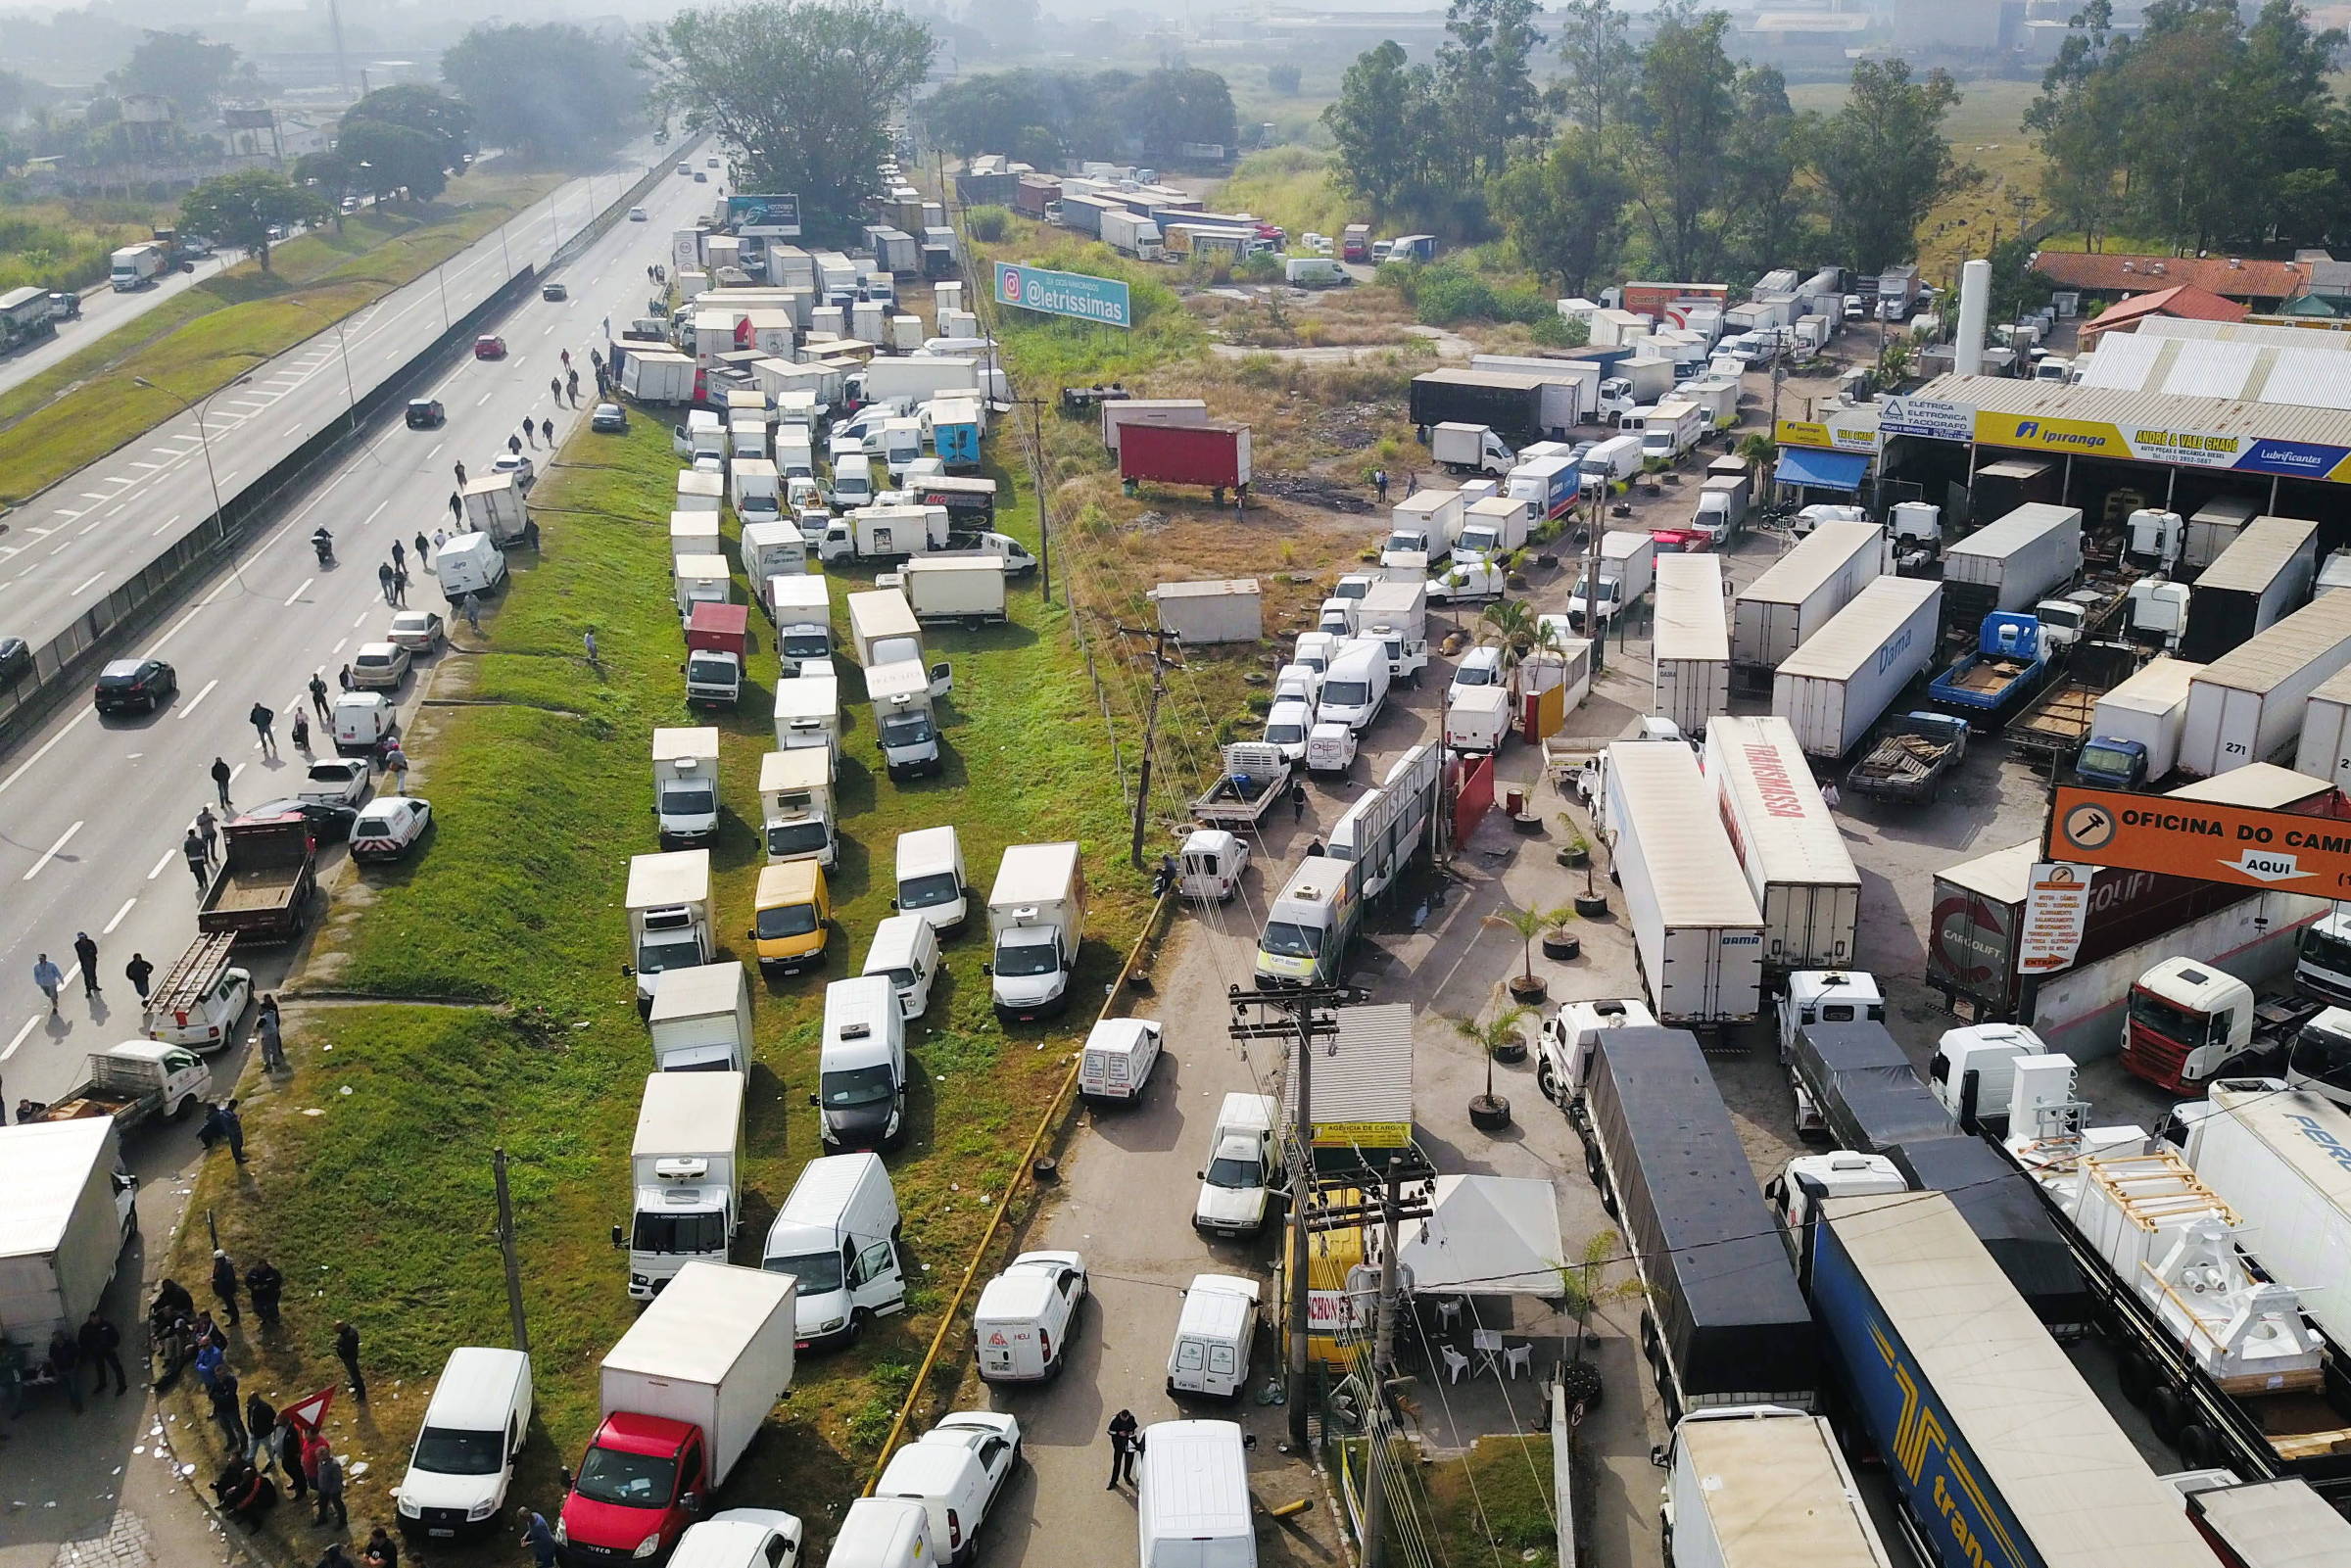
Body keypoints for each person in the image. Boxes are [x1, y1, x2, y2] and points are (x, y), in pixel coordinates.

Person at [216, 1461, 277, 1533]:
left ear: (250, 1476)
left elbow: (250, 1497)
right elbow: (241, 1488)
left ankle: (256, 1524)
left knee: (248, 1505)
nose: (244, 1479)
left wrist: (236, 1509)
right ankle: (241, 1513)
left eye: (245, 1477)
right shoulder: (250, 1481)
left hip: (268, 1500)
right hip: (259, 1496)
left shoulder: (258, 1482)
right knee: (237, 1495)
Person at [78, 1308, 126, 1397]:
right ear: (90, 1319)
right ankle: (102, 1384)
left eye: (97, 1319)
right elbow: (82, 1342)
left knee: (117, 1367)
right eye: (94, 1320)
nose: (96, 1321)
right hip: (96, 1352)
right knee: (100, 1369)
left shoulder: (106, 1325)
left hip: (108, 1350)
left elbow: (115, 1335)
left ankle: (122, 1386)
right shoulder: (85, 1329)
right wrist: (87, 1353)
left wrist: (113, 1345)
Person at [46, 1327, 82, 1413]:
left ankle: (78, 1407)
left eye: (58, 1339)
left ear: (62, 1337)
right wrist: (55, 1371)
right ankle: (72, 1402)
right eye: (55, 1339)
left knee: (74, 1388)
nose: (57, 1341)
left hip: (70, 1370)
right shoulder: (53, 1346)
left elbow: (77, 1356)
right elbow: (51, 1359)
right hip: (61, 1372)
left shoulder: (70, 1344)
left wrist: (75, 1368)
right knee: (68, 1388)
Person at [313, 1440, 348, 1528]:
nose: (317, 1457)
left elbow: (337, 1480)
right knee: (322, 1504)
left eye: (318, 1456)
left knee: (338, 1505)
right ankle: (322, 1518)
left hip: (333, 1491)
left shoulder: (334, 1465)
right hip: (323, 1489)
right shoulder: (321, 1463)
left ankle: (342, 1522)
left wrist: (333, 1491)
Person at [212, 1368, 247, 1450]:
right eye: (217, 1375)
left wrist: (217, 1397)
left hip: (231, 1409)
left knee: (237, 1426)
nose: (219, 1377)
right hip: (220, 1409)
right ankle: (232, 1441)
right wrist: (218, 1397)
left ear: (225, 1373)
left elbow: (229, 1397)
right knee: (225, 1427)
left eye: (220, 1375)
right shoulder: (216, 1381)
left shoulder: (231, 1381)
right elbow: (211, 1394)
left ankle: (244, 1442)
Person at [247, 1390, 279, 1473]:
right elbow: (249, 1418)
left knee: (269, 1450)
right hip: (253, 1433)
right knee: (251, 1453)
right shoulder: (250, 1406)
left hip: (264, 1435)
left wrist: (268, 1430)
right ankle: (250, 1468)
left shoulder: (265, 1408)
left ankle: (272, 1463)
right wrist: (250, 1428)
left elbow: (273, 1418)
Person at [246, 1258, 284, 1325]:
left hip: (270, 1294)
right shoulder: (253, 1272)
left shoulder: (272, 1272)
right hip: (257, 1295)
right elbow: (247, 1281)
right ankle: (264, 1318)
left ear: (266, 1266)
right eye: (259, 1267)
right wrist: (253, 1287)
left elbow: (278, 1281)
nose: (261, 1269)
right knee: (257, 1309)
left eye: (262, 1267)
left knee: (272, 1307)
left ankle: (275, 1319)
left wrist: (268, 1286)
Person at [1107, 1408, 1139, 1488]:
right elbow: (1109, 1431)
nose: (1125, 1420)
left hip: (1129, 1444)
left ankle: (1127, 1477)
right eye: (1123, 1418)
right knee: (1117, 1463)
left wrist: (1131, 1432)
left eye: (1126, 1418)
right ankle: (1113, 1481)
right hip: (1119, 1445)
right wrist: (1118, 1433)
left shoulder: (1131, 1418)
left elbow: (1135, 1429)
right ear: (1120, 1415)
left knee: (1129, 1462)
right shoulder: (1114, 1419)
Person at [334, 1320, 366, 1401]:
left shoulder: (349, 1336)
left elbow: (347, 1348)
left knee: (355, 1374)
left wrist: (339, 1348)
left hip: (350, 1357)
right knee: (352, 1372)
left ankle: (361, 1394)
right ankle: (355, 1384)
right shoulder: (349, 1331)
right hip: (350, 1356)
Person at [212, 1249, 242, 1324]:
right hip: (222, 1288)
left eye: (218, 1259)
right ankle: (229, 1309)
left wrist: (217, 1281)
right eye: (216, 1260)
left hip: (227, 1289)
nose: (217, 1261)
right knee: (227, 1301)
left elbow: (228, 1279)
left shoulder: (227, 1266)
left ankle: (235, 1318)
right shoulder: (219, 1265)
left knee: (231, 1303)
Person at [257, 1003, 286, 1070]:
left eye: (261, 1009)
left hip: (267, 1035)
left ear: (264, 1009)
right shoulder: (272, 1012)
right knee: (274, 1047)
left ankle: (267, 1065)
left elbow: (259, 1025)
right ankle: (276, 1060)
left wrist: (256, 1028)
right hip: (274, 1032)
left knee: (265, 1050)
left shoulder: (265, 1017)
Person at [72, 931, 100, 997]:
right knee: (87, 977)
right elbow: (81, 953)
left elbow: (95, 951)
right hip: (84, 963)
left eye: (83, 937)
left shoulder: (90, 942)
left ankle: (94, 986)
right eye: (80, 938)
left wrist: (90, 954)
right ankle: (88, 991)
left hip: (92, 961)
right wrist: (89, 953)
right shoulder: (77, 944)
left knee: (93, 974)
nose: (82, 939)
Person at [220, 1099, 245, 1164]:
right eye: (234, 1106)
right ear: (232, 1105)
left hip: (230, 1132)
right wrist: (240, 1117)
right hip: (235, 1132)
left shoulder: (224, 1112)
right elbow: (236, 1122)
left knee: (234, 1145)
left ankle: (238, 1156)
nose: (235, 1108)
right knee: (237, 1144)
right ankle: (238, 1159)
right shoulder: (230, 1114)